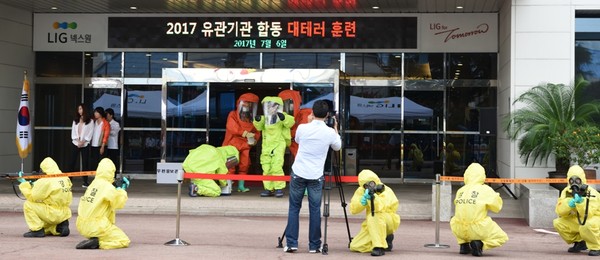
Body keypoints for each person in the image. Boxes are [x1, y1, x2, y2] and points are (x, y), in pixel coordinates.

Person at [283, 100, 341, 253]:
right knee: (315, 209)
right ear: (328, 115)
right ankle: (314, 245)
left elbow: (297, 140)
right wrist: (335, 129)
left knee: (294, 208)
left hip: (299, 172)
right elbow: (338, 146)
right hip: (315, 175)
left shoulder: (302, 128)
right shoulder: (329, 132)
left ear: (312, 113)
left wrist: (309, 122)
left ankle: (291, 243)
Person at [450, 162, 508, 256]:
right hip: (477, 229)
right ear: (482, 176)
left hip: (459, 230)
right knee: (501, 237)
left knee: (456, 219)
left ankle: (463, 245)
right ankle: (479, 244)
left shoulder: (461, 190)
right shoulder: (485, 190)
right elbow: (497, 207)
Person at [76, 158, 130, 249]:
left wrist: (114, 187)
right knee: (123, 240)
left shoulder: (93, 184)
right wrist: (122, 190)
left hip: (82, 225)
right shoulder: (108, 187)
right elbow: (119, 203)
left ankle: (95, 239)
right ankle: (98, 243)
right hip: (97, 226)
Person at [349, 169, 400, 256]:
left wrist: (373, 197)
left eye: (371, 183)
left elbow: (380, 208)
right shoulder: (361, 191)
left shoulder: (386, 190)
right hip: (372, 223)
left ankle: (379, 247)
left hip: (388, 220)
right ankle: (386, 240)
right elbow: (353, 210)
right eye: (366, 185)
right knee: (355, 246)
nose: (370, 186)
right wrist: (362, 201)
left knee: (374, 215)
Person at [18, 157, 72, 237]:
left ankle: (37, 230)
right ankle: (60, 227)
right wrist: (35, 184)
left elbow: (33, 197)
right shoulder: (64, 177)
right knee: (46, 227)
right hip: (64, 213)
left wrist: (24, 184)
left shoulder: (46, 181)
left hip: (52, 213)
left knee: (28, 205)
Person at [553, 165, 600, 256]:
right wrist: (569, 203)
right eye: (571, 180)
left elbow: (588, 214)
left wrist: (581, 202)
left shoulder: (591, 193)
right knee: (558, 223)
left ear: (582, 179)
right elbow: (559, 211)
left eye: (577, 180)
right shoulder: (566, 192)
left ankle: (596, 246)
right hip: (578, 220)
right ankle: (580, 242)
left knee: (586, 225)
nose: (574, 182)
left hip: (594, 220)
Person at [254, 96, 295, 198]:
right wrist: (257, 120)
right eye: (269, 106)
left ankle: (278, 188)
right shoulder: (265, 118)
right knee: (266, 167)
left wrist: (283, 117)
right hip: (267, 146)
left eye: (273, 106)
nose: (270, 108)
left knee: (277, 166)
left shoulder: (283, 116)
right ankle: (268, 188)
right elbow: (258, 126)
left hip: (278, 144)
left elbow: (290, 122)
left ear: (278, 107)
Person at [222, 93, 260, 192]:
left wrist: (255, 140)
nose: (246, 106)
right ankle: (228, 185)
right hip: (232, 144)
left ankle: (241, 186)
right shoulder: (233, 114)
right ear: (239, 104)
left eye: (249, 104)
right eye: (245, 103)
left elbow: (257, 131)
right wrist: (245, 133)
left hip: (246, 145)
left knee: (245, 164)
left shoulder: (252, 119)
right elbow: (232, 127)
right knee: (230, 164)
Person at [278, 89, 312, 158]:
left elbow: (303, 134)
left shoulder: (305, 115)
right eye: (283, 105)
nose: (285, 108)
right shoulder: (282, 118)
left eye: (289, 103)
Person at [70, 103, 94, 188]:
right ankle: (69, 180)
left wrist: (83, 141)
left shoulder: (90, 121)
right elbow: (73, 132)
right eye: (79, 109)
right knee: (72, 162)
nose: (80, 111)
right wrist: (77, 140)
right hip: (75, 143)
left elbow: (90, 132)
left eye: (81, 109)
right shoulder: (75, 120)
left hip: (85, 144)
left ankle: (85, 181)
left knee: (85, 163)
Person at [90, 107, 110, 184]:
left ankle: (102, 179)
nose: (95, 114)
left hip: (101, 145)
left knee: (101, 163)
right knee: (94, 162)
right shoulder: (93, 122)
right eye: (95, 112)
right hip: (93, 145)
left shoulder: (105, 123)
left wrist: (102, 146)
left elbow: (106, 135)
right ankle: (96, 179)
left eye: (97, 112)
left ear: (101, 114)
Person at [105, 108, 121, 177]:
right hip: (106, 145)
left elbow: (114, 133)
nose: (106, 116)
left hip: (113, 146)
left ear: (111, 115)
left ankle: (113, 176)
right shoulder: (105, 123)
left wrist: (107, 130)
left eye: (107, 114)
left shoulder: (116, 124)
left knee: (113, 162)